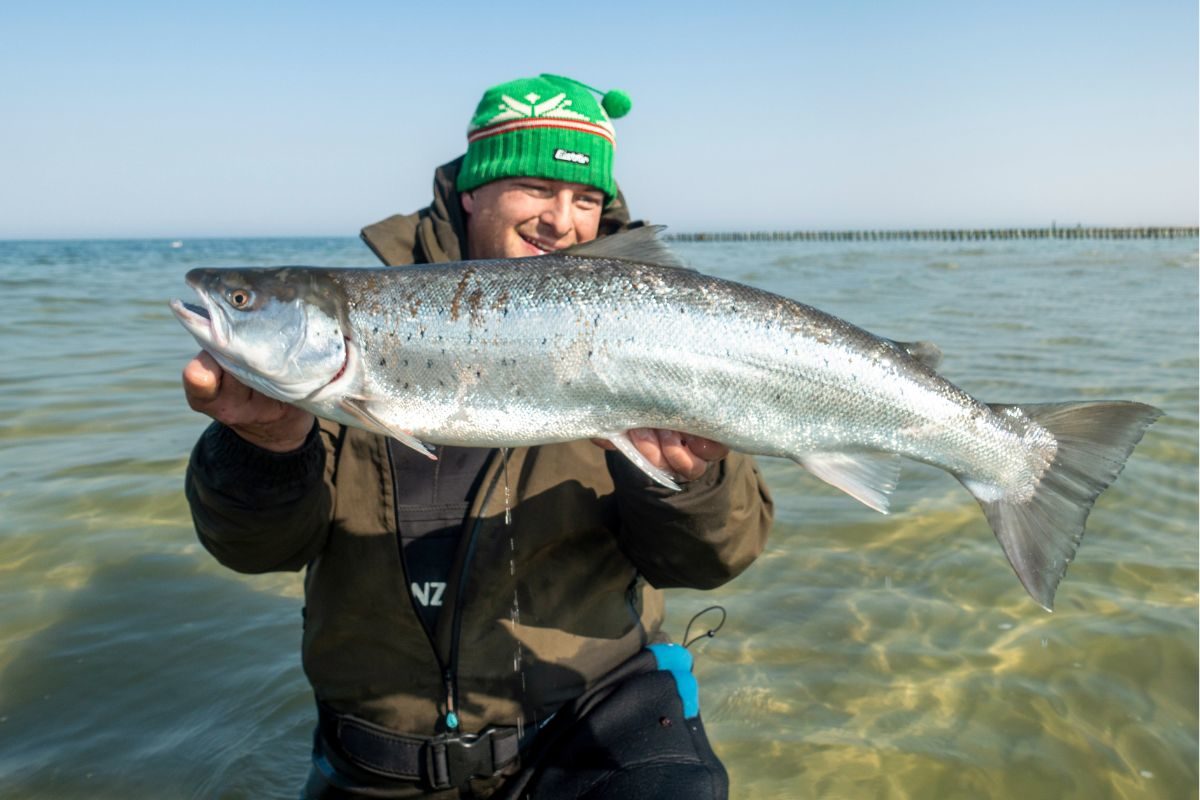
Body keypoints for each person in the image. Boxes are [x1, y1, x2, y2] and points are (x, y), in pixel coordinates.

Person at [182, 74, 774, 799]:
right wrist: (264, 448)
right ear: (471, 191)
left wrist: (690, 482)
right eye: (535, 188)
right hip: (379, 753)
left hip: (592, 728)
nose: (564, 221)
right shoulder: (354, 347)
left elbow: (714, 559)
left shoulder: (647, 330)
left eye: (586, 199)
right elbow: (255, 550)